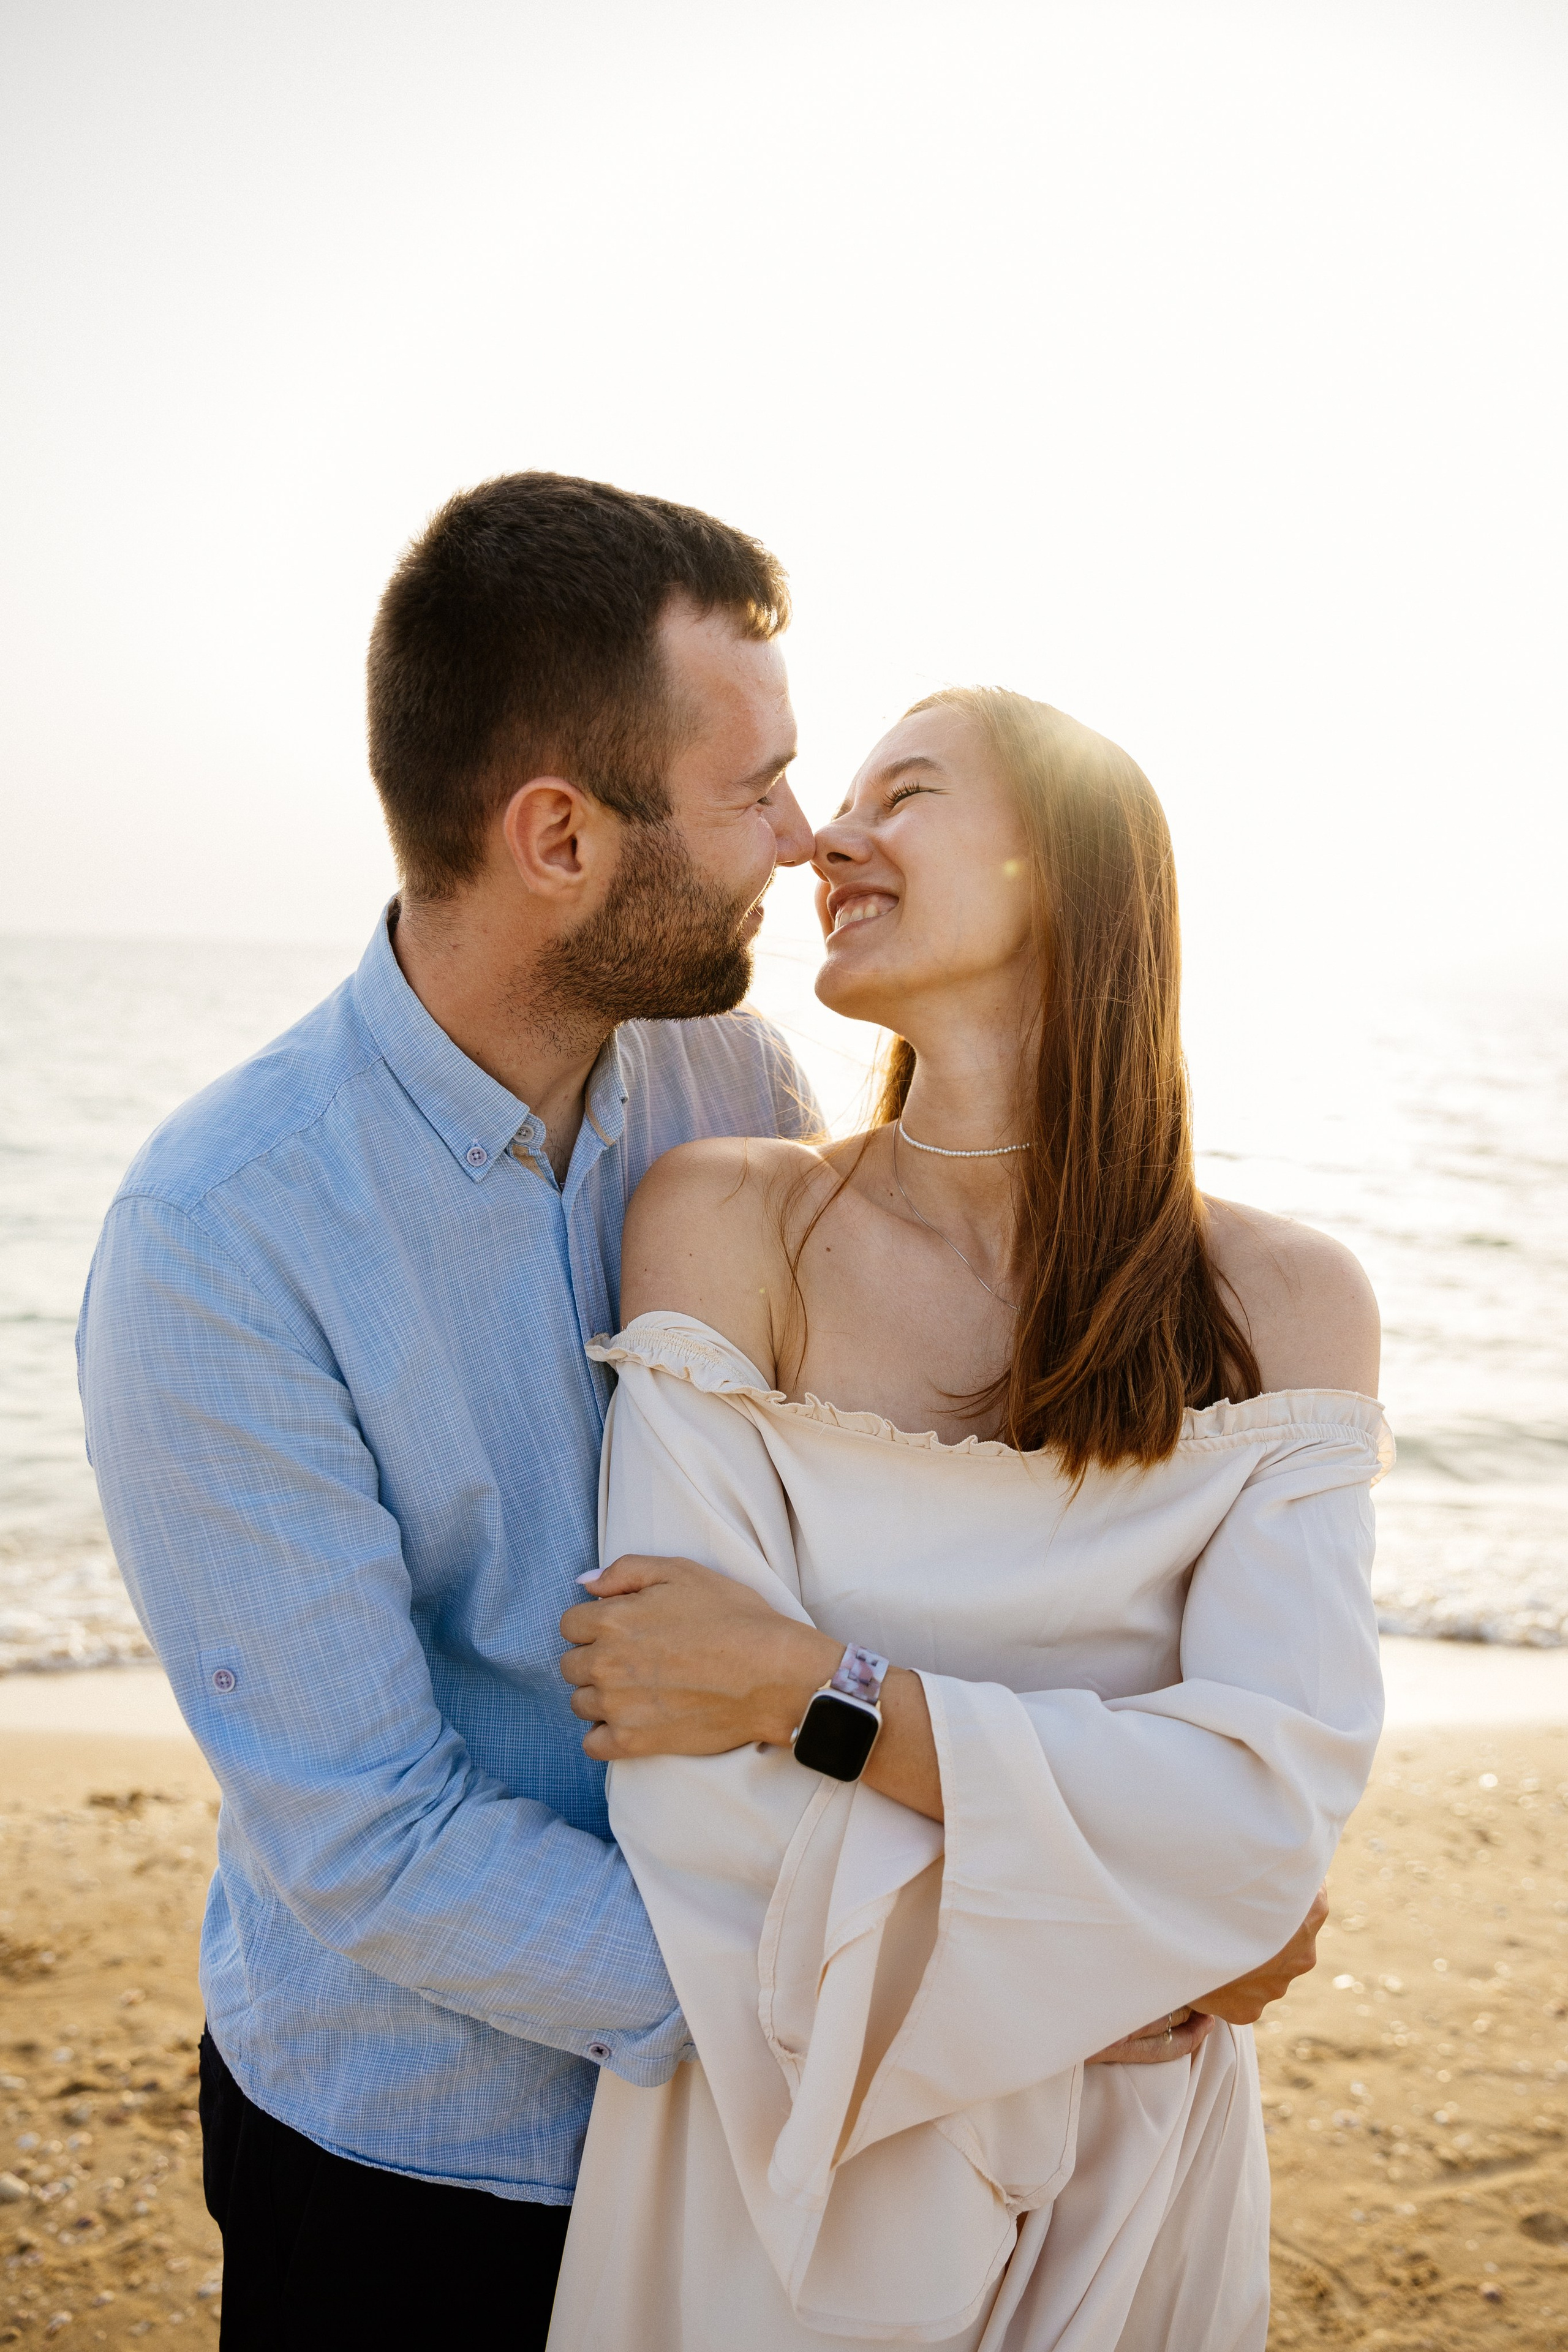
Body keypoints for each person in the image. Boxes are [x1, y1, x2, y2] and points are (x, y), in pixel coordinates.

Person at [74, 473, 825, 2350]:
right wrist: (848, 1989)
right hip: (420, 2171)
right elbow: (373, 1839)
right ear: (558, 837)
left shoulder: (734, 1074)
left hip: (746, 2146)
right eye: (752, 792)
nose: (801, 840)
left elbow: (848, 1519)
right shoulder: (218, 1237)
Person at [548, 690, 1387, 2350]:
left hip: (1133, 2161)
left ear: (1064, 878)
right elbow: (684, 1777)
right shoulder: (733, 1218)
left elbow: (1263, 1815)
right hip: (792, 2128)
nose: (827, 842)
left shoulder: (1289, 1301)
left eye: (905, 793)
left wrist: (817, 1689)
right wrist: (1122, 1931)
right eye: (836, 800)